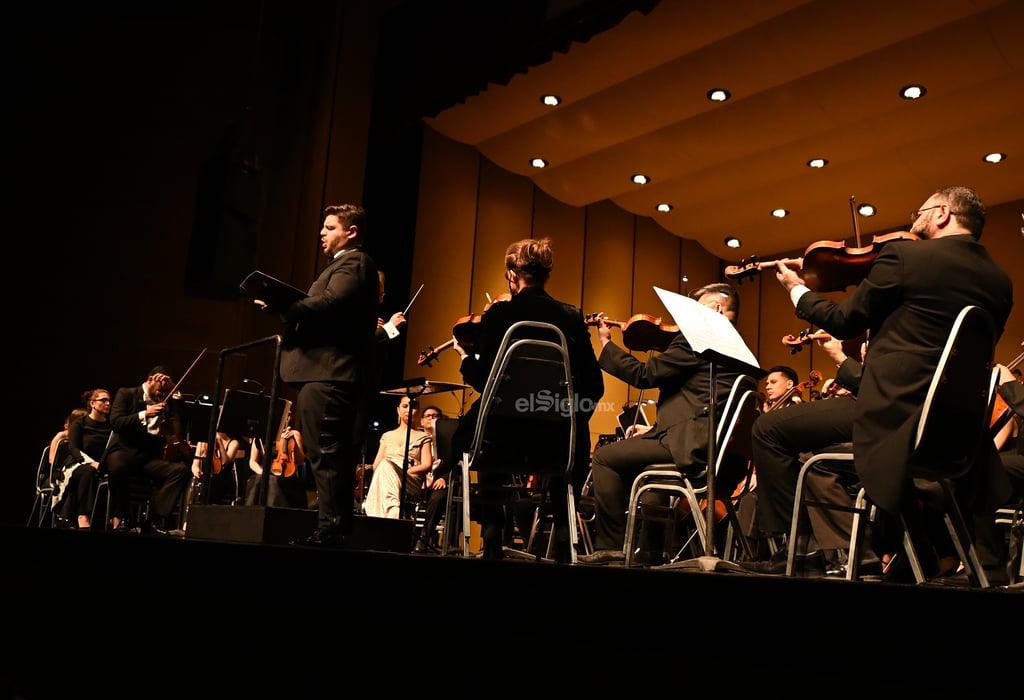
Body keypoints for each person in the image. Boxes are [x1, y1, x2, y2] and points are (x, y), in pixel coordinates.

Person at [771, 185, 1013, 578]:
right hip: (957, 427)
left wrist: (796, 290)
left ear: (941, 214)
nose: (913, 219)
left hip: (895, 414)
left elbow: (843, 321)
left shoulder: (905, 255)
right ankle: (915, 553)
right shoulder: (1000, 281)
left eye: (921, 210)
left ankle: (791, 553)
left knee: (769, 430)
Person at [451, 237, 604, 561]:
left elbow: (483, 382)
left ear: (512, 275)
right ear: (547, 273)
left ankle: (492, 526)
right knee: (569, 426)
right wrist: (568, 418)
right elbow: (594, 388)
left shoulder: (499, 316)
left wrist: (465, 358)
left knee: (486, 418)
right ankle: (564, 528)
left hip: (500, 442)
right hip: (556, 445)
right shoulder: (571, 316)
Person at [579, 282, 747, 565]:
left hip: (693, 446)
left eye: (698, 307)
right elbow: (700, 400)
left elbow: (644, 375)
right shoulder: (735, 346)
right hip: (716, 449)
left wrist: (607, 343)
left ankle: (611, 547)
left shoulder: (701, 338)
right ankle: (651, 553)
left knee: (606, 458)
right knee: (651, 475)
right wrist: (655, 430)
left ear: (717, 308)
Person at [255, 203, 380, 547]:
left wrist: (285, 305)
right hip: (325, 373)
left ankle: (332, 529)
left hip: (331, 373)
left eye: (329, 227)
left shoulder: (355, 262)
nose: (321, 234)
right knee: (326, 452)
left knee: (327, 452)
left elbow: (330, 303)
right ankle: (332, 527)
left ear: (350, 232)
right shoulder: (343, 265)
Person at [742, 337, 868, 574]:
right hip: (879, 408)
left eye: (773, 382)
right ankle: (804, 547)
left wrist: (840, 358)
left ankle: (799, 543)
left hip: (880, 411)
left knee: (767, 430)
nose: (767, 386)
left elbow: (874, 387)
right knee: (810, 463)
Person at [104, 367, 199, 534]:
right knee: (118, 467)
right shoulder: (127, 393)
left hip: (148, 457)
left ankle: (154, 519)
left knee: (179, 471)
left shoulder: (166, 400)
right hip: (124, 450)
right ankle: (123, 517)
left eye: (164, 391)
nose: (161, 394)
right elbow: (116, 422)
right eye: (159, 389)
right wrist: (144, 414)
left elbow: (180, 421)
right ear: (150, 380)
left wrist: (174, 390)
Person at [363, 396, 434, 519]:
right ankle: (392, 513)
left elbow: (427, 464)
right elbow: (376, 465)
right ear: (398, 410)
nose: (409, 409)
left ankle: (389, 517)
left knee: (386, 466)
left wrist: (408, 470)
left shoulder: (423, 436)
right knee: (385, 466)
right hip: (387, 475)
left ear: (418, 410)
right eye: (405, 406)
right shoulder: (387, 436)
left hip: (410, 478)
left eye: (413, 406)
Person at [54, 389, 113, 529]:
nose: (108, 403)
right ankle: (83, 516)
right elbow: (74, 449)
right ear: (92, 403)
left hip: (101, 465)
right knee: (88, 471)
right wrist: (91, 462)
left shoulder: (111, 426)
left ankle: (116, 519)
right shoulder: (80, 423)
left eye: (109, 400)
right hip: (77, 464)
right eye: (103, 400)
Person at [414, 405, 448, 553]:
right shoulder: (415, 438)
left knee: (438, 498)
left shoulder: (447, 441)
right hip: (417, 481)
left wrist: (444, 478)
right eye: (428, 416)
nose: (431, 418)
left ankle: (423, 540)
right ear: (422, 421)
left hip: (437, 482)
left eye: (435, 416)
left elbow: (453, 463)